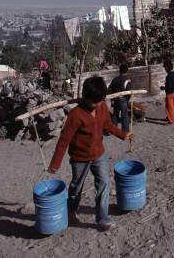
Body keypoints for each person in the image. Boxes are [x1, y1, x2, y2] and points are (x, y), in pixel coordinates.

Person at [47, 76, 133, 231]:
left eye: (100, 101)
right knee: (76, 187)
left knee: (105, 183)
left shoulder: (101, 106)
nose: (98, 105)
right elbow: (64, 141)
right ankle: (71, 210)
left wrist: (122, 134)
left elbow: (107, 124)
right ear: (85, 97)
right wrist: (55, 164)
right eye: (95, 102)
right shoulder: (76, 115)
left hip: (99, 154)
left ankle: (103, 219)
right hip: (80, 158)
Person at [108, 63, 132, 133]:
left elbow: (109, 89)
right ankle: (125, 130)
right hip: (123, 99)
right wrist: (127, 99)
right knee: (124, 115)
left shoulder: (115, 79)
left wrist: (112, 99)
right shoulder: (127, 80)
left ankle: (113, 129)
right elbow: (129, 91)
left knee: (115, 114)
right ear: (127, 71)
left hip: (115, 99)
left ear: (119, 70)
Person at [160, 59, 174, 125]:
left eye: (165, 67)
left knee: (169, 108)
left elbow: (168, 87)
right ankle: (169, 117)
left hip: (169, 94)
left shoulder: (168, 76)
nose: (165, 69)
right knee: (172, 107)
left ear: (167, 67)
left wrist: (163, 88)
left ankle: (172, 121)